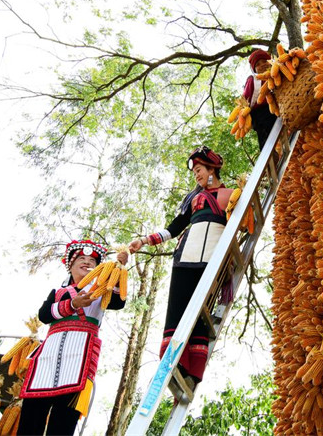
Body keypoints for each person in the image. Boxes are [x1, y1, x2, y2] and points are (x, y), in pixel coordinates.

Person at [127, 146, 233, 386]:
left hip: (211, 261)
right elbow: (173, 229)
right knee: (176, 312)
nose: (196, 175)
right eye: (194, 171)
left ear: (212, 169)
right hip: (184, 258)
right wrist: (144, 240)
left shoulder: (230, 194)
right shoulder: (193, 200)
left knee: (200, 315)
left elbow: (243, 224)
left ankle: (193, 371)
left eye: (199, 169)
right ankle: (174, 363)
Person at [17, 239, 125, 436]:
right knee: (31, 419)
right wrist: (72, 304)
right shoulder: (57, 292)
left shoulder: (100, 292)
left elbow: (118, 302)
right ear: (70, 266)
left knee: (63, 423)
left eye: (92, 261)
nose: (87, 262)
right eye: (81, 259)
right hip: (47, 359)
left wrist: (119, 269)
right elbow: (44, 315)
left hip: (79, 360)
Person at [243, 48, 278, 150]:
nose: (262, 65)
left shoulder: (278, 73)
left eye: (264, 61)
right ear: (254, 70)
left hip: (280, 110)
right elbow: (246, 100)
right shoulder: (253, 80)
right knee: (269, 146)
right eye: (257, 64)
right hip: (262, 117)